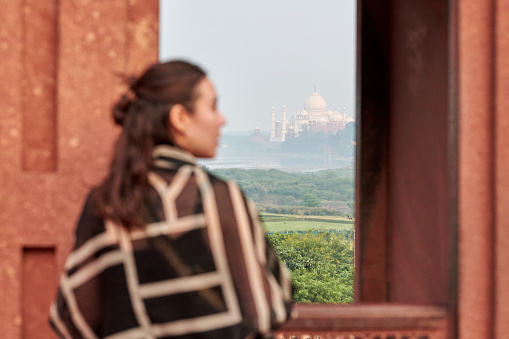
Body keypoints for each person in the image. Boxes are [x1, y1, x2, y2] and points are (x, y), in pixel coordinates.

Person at [49, 60, 293, 339]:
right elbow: (269, 306)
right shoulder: (221, 200)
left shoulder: (107, 203)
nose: (221, 120)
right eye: (212, 107)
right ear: (179, 118)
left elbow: (70, 317)